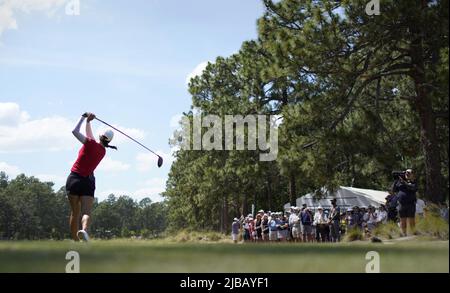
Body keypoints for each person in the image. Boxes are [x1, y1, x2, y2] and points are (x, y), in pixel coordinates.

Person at [66, 112, 117, 242]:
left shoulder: (90, 143)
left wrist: (83, 118)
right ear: (109, 141)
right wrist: (89, 122)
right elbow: (90, 136)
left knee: (75, 212)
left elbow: (74, 131)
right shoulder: (102, 151)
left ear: (100, 136)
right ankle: (83, 229)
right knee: (86, 212)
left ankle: (75, 241)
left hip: (74, 179)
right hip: (88, 182)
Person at [393, 169, 418, 236]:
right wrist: (396, 180)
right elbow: (394, 189)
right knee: (402, 220)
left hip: (410, 204)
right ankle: (404, 234)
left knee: (411, 219)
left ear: (413, 175)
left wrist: (404, 182)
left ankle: (413, 233)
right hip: (401, 204)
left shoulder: (414, 182)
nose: (407, 174)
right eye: (406, 173)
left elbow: (413, 188)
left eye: (409, 173)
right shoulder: (399, 182)